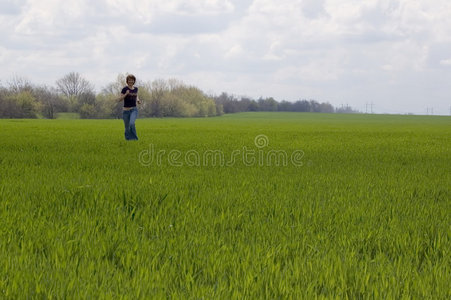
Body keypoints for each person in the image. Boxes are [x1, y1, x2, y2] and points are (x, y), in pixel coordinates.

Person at [118, 74, 141, 140]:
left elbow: (136, 96)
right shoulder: (124, 89)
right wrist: (126, 94)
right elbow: (120, 99)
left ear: (134, 81)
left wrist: (138, 100)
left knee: (132, 123)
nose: (131, 81)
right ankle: (128, 140)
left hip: (134, 110)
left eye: (132, 80)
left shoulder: (136, 89)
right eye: (129, 80)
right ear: (127, 81)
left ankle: (135, 139)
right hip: (125, 111)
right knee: (127, 127)